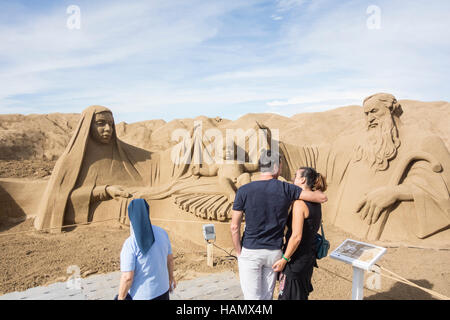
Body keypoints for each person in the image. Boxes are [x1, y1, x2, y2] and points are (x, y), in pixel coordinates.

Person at [230, 149, 327, 300]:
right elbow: (321, 198)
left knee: (252, 298)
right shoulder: (286, 188)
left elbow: (234, 227)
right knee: (267, 296)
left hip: (251, 251)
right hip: (274, 252)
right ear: (276, 167)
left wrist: (238, 251)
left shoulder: (244, 190)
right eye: (281, 166)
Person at [273, 167, 327, 300]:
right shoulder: (315, 202)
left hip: (295, 261)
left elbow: (296, 237)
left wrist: (284, 260)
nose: (293, 178)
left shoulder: (300, 203)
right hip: (307, 258)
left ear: (302, 180)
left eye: (295, 176)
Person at [117, 198, 176, 300]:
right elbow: (170, 259)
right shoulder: (162, 233)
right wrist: (171, 278)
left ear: (131, 216)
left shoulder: (130, 243)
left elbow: (127, 277)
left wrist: (120, 298)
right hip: (163, 291)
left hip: (143, 296)